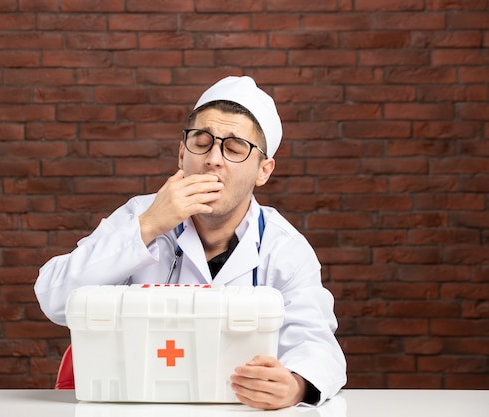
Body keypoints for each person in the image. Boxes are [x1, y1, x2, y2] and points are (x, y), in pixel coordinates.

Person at [34, 76, 347, 410]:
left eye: (234, 148)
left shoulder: (284, 247)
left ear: (263, 171)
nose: (213, 159)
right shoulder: (140, 216)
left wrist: (295, 386)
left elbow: (319, 346)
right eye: (202, 142)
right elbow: (54, 298)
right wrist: (149, 225)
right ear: (183, 153)